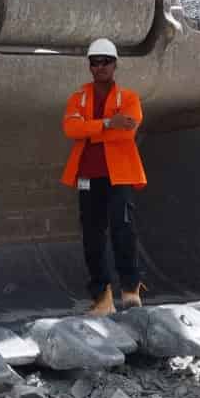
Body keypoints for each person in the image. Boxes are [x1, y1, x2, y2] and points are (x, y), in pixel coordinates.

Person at [61, 38, 146, 315]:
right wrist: (108, 123)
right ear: (89, 66)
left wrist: (91, 129)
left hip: (119, 175)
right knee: (92, 236)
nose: (100, 66)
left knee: (123, 230)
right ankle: (102, 298)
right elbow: (71, 129)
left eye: (105, 61)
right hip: (88, 176)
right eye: (95, 62)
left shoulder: (129, 98)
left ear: (115, 64)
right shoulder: (78, 98)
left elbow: (127, 133)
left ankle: (130, 290)